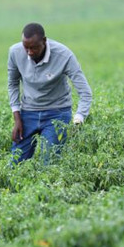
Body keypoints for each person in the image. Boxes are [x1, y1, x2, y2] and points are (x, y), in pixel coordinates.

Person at [8, 22, 92, 163]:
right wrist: (17, 118)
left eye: (33, 48)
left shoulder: (64, 55)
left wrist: (79, 117)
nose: (29, 52)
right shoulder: (15, 52)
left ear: (44, 41)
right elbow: (12, 84)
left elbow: (85, 91)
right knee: (15, 163)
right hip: (28, 112)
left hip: (57, 112)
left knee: (49, 162)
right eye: (26, 47)